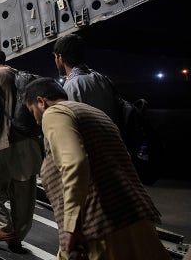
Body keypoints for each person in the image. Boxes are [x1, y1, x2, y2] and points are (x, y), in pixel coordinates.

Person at [23, 78, 169, 260]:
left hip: (101, 226)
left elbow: (74, 163)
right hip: (134, 217)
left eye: (32, 112)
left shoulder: (55, 113)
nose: (36, 121)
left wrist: (71, 225)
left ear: (41, 101)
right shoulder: (94, 112)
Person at [0, 45, 42, 250]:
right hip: (28, 142)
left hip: (1, 141)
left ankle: (4, 225)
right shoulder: (20, 74)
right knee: (23, 191)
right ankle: (17, 237)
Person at [53, 33, 118, 123]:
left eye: (55, 57)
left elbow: (73, 124)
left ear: (60, 57)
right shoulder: (100, 77)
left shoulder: (72, 86)